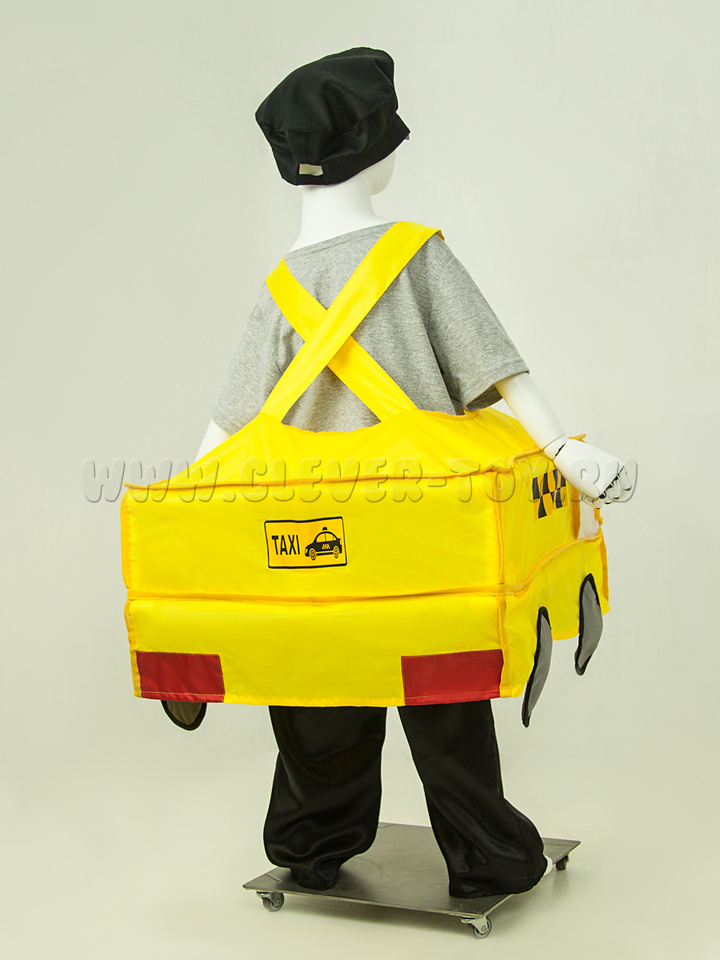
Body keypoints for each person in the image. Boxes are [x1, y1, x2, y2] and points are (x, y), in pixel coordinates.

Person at [168, 47, 635, 898]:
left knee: (316, 692)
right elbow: (500, 369)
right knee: (443, 701)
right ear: (373, 152)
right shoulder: (415, 256)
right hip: (422, 533)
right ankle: (484, 857)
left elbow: (229, 427)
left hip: (307, 542)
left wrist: (177, 511)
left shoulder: (281, 287)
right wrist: (564, 452)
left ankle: (311, 844)